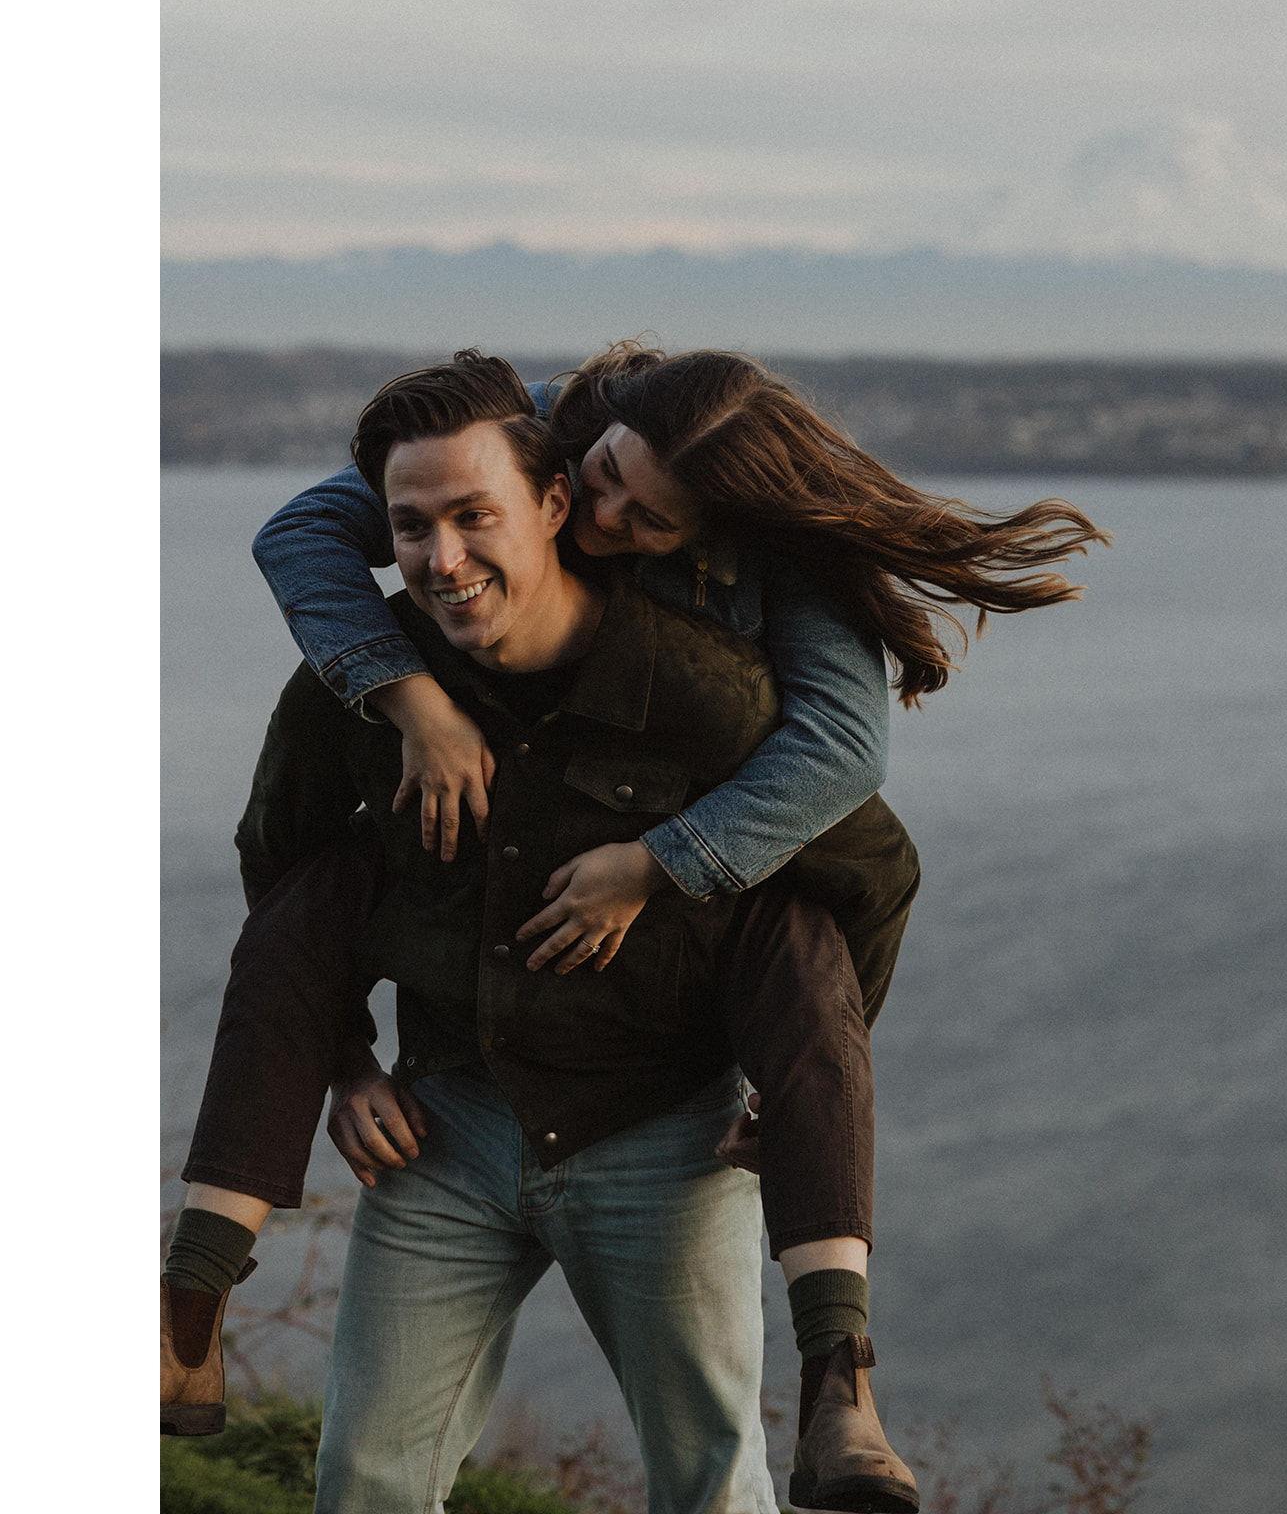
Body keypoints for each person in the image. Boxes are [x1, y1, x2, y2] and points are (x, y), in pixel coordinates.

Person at [164, 343, 1107, 1506]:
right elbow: (285, 831)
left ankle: (840, 1368)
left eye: (644, 516)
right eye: (600, 474)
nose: (603, 515)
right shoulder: (517, 456)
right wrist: (349, 1055)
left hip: (659, 1133)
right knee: (362, 1475)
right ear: (573, 455)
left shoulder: (721, 672)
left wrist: (668, 874)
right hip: (447, 1118)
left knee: (711, 1482)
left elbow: (864, 825)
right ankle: (190, 1287)